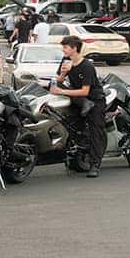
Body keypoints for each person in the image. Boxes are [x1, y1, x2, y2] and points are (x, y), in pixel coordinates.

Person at [50, 35, 105, 178]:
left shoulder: (87, 66)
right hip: (77, 98)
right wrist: (63, 73)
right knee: (72, 125)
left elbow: (85, 91)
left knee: (95, 131)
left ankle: (95, 165)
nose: (63, 50)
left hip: (94, 99)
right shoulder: (66, 61)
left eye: (65, 47)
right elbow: (59, 80)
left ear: (74, 48)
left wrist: (61, 91)